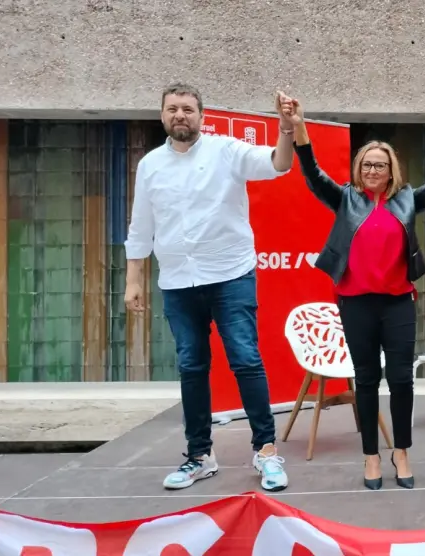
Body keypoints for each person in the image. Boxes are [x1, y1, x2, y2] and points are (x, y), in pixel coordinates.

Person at [287, 98, 425, 490]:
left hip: (398, 302)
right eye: (367, 164)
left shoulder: (406, 199)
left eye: (380, 164)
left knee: (401, 381)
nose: (373, 169)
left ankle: (402, 452)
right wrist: (298, 124)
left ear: (392, 169)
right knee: (365, 379)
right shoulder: (345, 198)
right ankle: (371, 456)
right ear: (359, 170)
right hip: (355, 302)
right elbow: (311, 170)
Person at [123, 83, 296, 492]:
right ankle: (199, 455)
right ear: (162, 116)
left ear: (201, 115)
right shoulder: (150, 165)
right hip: (179, 281)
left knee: (245, 359)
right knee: (191, 366)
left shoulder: (226, 151)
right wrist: (133, 279)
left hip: (231, 275)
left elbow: (277, 164)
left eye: (187, 108)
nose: (179, 115)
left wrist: (286, 129)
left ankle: (266, 451)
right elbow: (141, 225)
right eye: (172, 109)